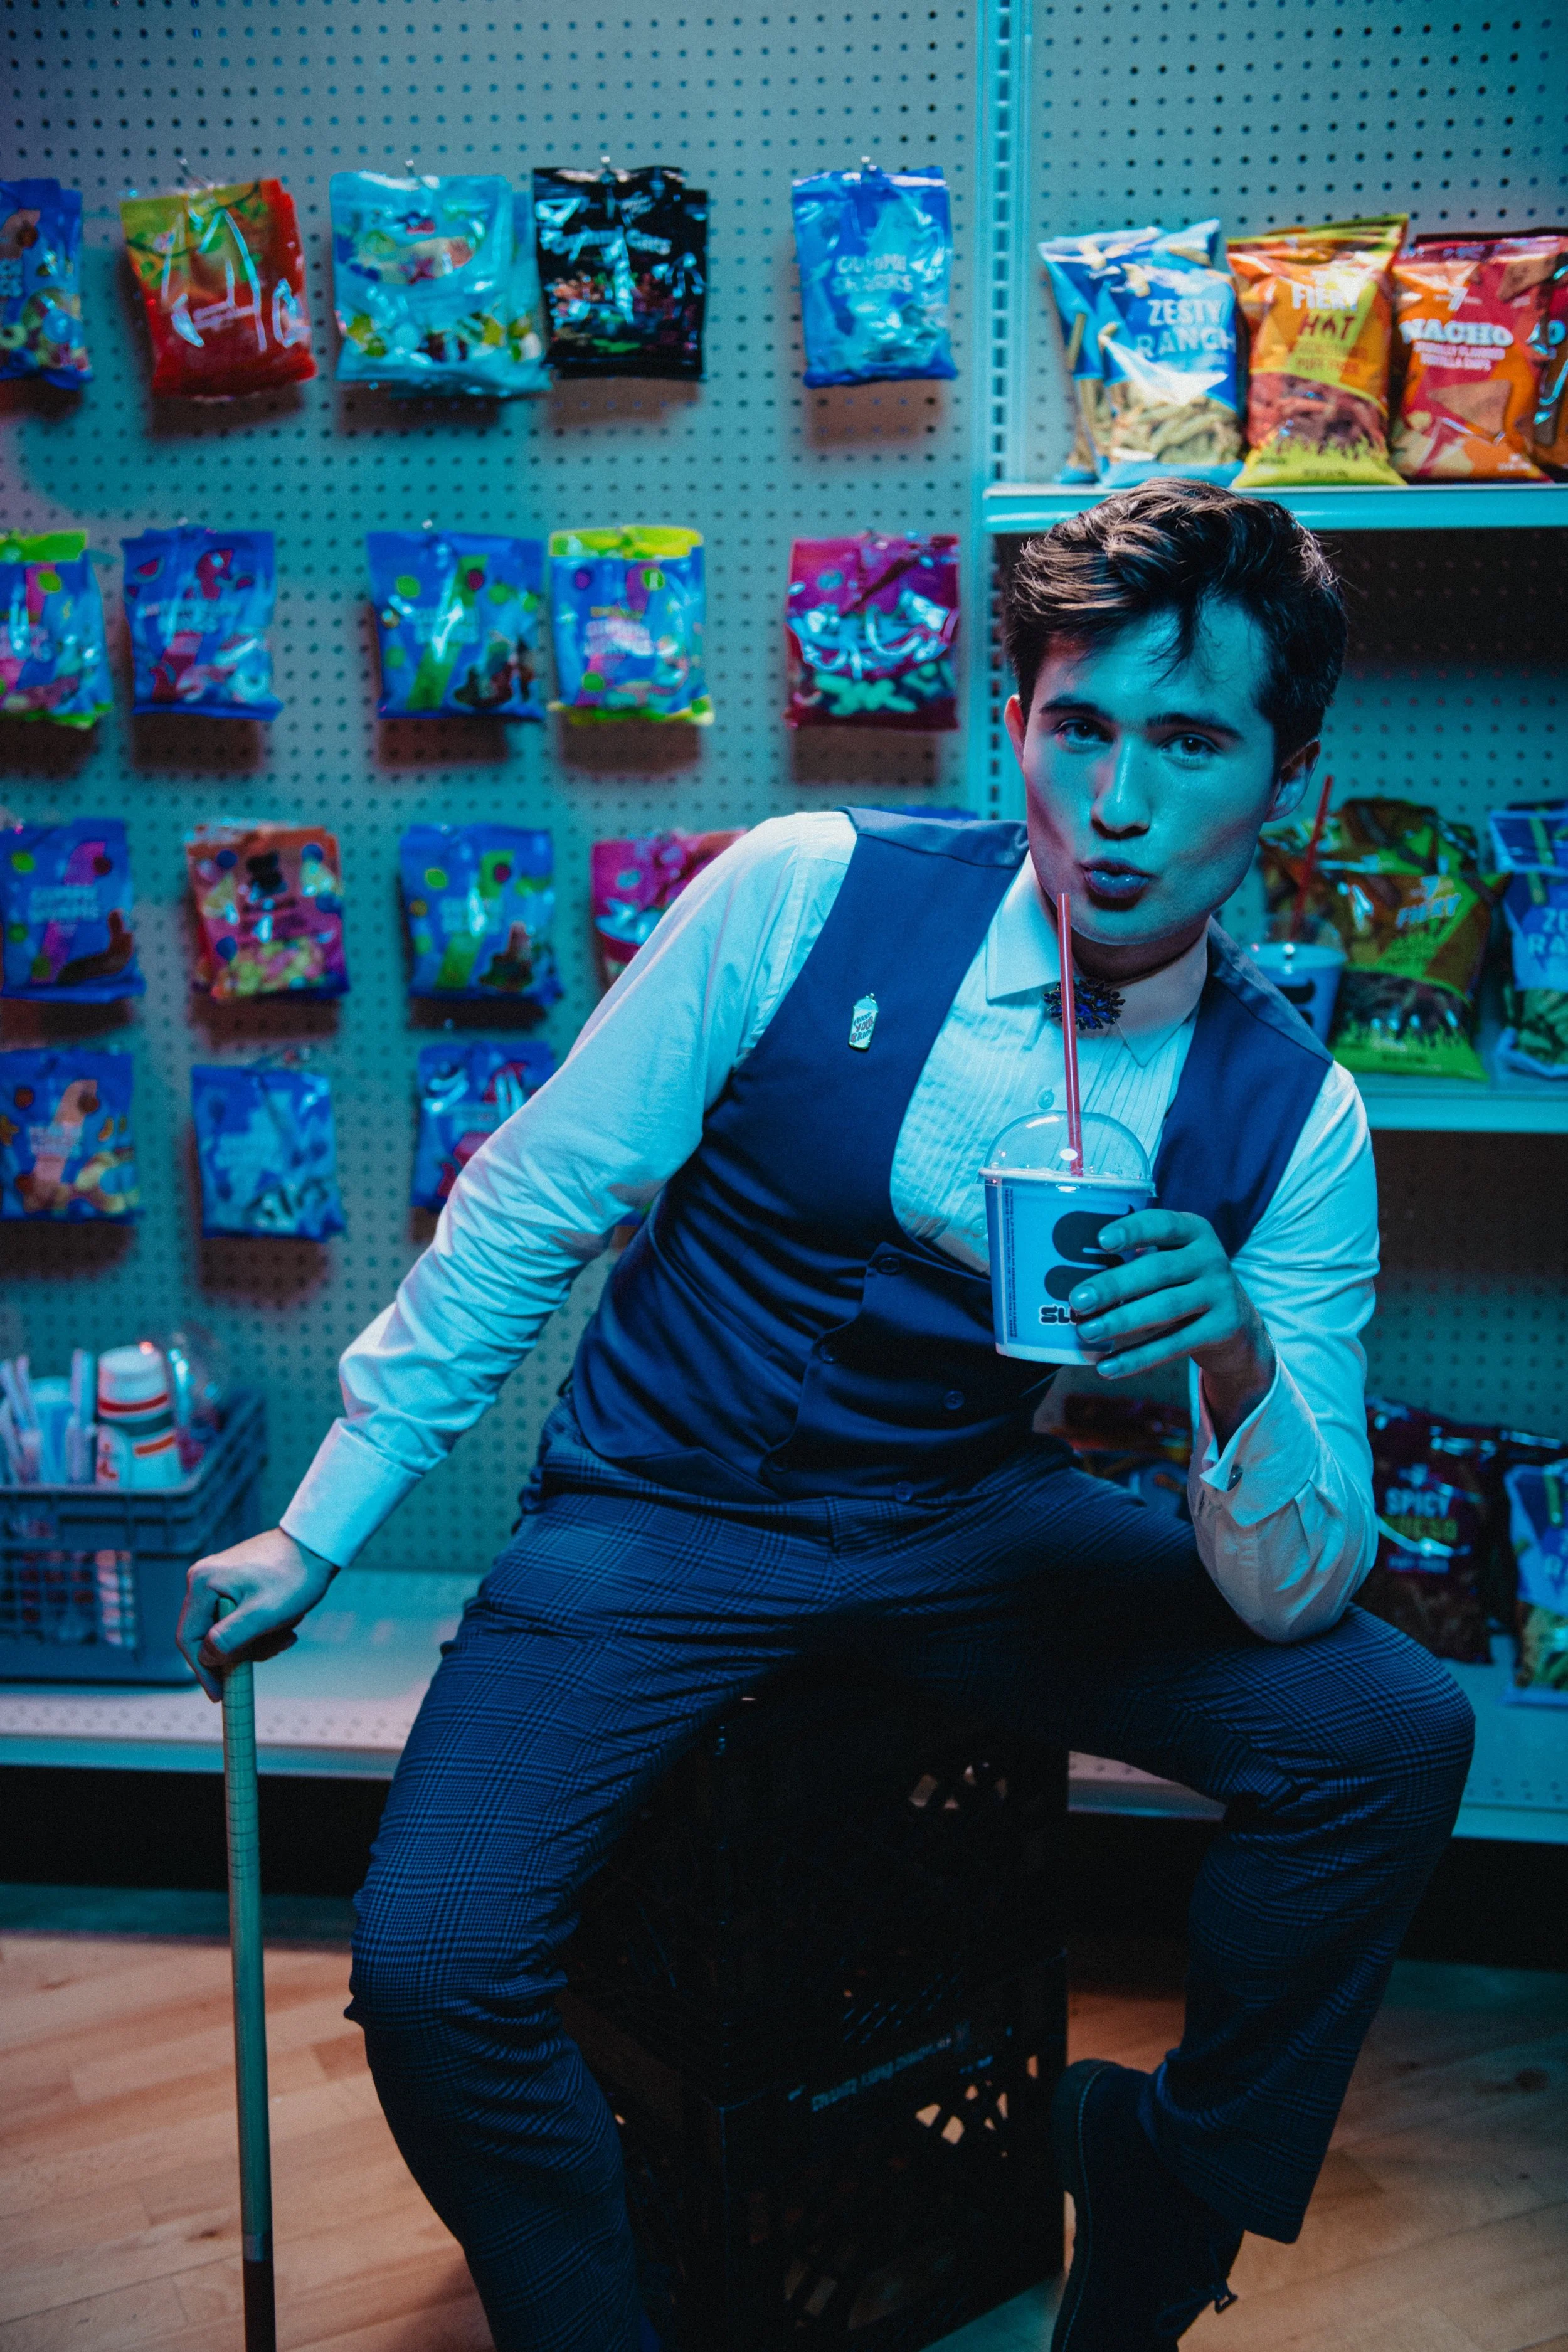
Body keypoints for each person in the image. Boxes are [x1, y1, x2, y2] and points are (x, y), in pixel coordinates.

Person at [179, 480, 1474, 2352]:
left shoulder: (1298, 1117)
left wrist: (1235, 1366)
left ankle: (1159, 2192)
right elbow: (535, 1201)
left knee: (1390, 1732)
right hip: (660, 1510)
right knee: (437, 1971)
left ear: (1291, 780)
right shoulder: (805, 888)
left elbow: (1297, 1587)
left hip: (962, 1522)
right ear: (1014, 726)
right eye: (1077, 727)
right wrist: (320, 1524)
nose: (1114, 804)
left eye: (1190, 744)